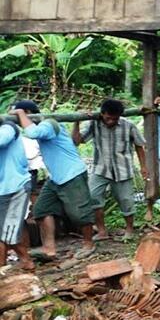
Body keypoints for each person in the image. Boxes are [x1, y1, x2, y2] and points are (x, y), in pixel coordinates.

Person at [12, 100, 96, 260]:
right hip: (56, 178)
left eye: (21, 117)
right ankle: (48, 248)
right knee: (41, 210)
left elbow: (32, 133)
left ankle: (88, 244)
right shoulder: (42, 126)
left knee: (80, 214)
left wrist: (20, 114)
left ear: (29, 113)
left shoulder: (49, 124)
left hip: (72, 174)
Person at [72, 99, 147, 240]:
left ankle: (129, 230)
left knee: (126, 201)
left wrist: (143, 166)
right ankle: (102, 231)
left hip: (122, 169)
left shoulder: (128, 125)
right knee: (93, 198)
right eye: (108, 118)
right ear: (102, 114)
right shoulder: (94, 124)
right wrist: (77, 121)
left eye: (115, 118)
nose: (111, 121)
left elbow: (139, 145)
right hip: (101, 169)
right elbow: (76, 141)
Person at [0, 116, 34, 270]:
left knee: (7, 231)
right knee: (6, 231)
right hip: (3, 188)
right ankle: (26, 262)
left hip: (15, 187)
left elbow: (1, 139)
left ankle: (6, 266)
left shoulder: (9, 128)